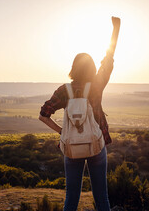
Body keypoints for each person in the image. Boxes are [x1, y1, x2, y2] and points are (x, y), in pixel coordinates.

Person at [39, 16, 121, 211]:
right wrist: (115, 30)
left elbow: (43, 115)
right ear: (92, 68)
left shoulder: (64, 90)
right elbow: (108, 60)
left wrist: (62, 132)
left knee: (71, 198)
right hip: (96, 145)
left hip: (71, 148)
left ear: (73, 68)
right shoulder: (97, 85)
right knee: (102, 198)